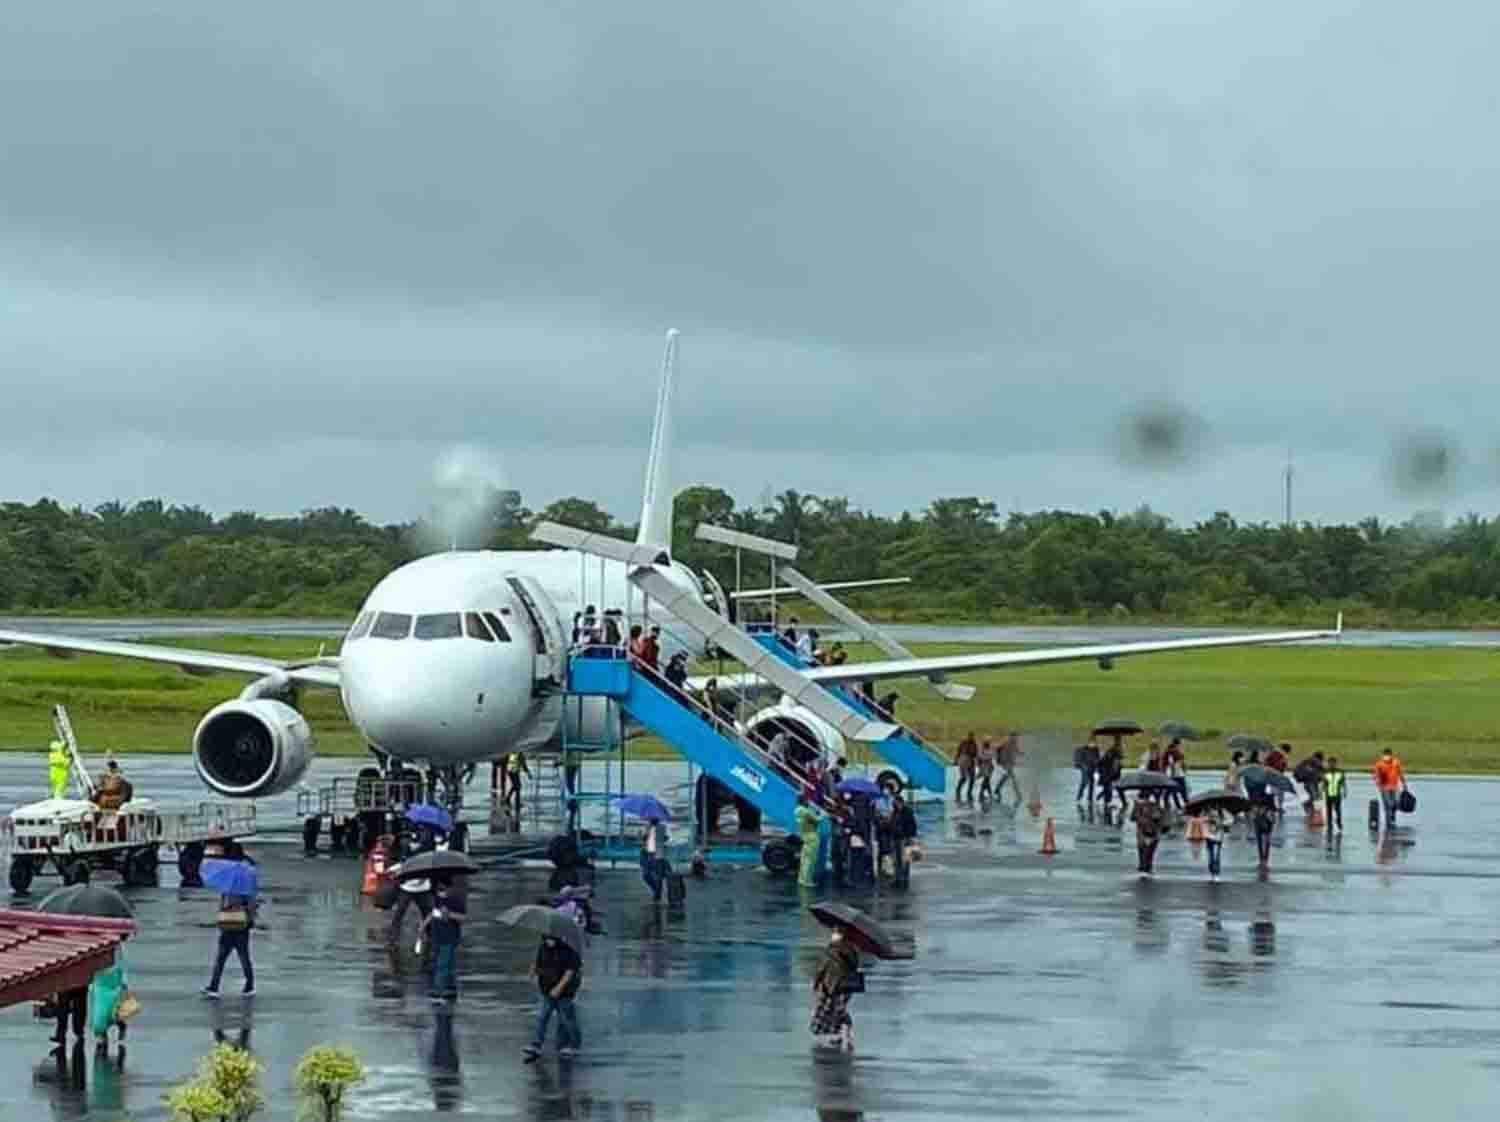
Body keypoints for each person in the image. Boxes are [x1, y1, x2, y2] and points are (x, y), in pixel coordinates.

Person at [524, 935, 582, 1061]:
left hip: (565, 992)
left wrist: (559, 988)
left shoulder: (567, 951)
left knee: (566, 1019)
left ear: (557, 939)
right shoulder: (543, 948)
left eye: (551, 939)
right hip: (547, 989)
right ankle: (536, 1044)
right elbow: (537, 962)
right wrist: (531, 973)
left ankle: (572, 1045)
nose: (549, 942)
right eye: (546, 939)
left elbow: (570, 972)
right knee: (543, 1017)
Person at [202, 875, 257, 998]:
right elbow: (252, 907)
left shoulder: (227, 889)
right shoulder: (246, 889)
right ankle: (249, 986)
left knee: (222, 958)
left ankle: (214, 987)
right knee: (243, 957)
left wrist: (227, 910)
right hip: (241, 927)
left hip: (229, 926)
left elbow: (223, 907)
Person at [809, 927, 861, 1052]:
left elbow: (822, 968)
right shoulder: (853, 949)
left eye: (835, 933)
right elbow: (855, 965)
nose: (832, 935)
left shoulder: (831, 950)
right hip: (848, 984)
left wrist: (815, 983)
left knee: (828, 1009)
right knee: (840, 1009)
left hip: (832, 984)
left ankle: (834, 1034)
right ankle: (845, 1033)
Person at [423, 884, 465, 1002]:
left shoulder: (456, 900)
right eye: (439, 891)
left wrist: (449, 914)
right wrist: (423, 926)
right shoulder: (436, 899)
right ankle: (450, 989)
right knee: (445, 963)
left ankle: (439, 991)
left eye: (443, 890)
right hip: (437, 936)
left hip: (449, 937)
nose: (441, 893)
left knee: (443, 964)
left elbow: (462, 918)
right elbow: (432, 913)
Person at [1130, 795, 1167, 876]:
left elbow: (1133, 818)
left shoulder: (1153, 806)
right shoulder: (1156, 806)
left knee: (1144, 850)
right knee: (1148, 851)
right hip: (1152, 832)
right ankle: (1146, 867)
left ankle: (1144, 867)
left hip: (1146, 832)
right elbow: (1161, 819)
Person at [1373, 748, 1407, 831]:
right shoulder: (1379, 764)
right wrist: (1379, 785)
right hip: (1384, 788)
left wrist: (1404, 783)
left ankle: (1392, 817)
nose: (1387, 757)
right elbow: (1376, 776)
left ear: (1391, 755)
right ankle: (1389, 823)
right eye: (1385, 755)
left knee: (1396, 802)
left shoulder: (1396, 762)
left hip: (1395, 787)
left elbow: (1400, 773)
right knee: (1388, 805)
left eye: (1388, 755)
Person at [640, 815, 669, 902]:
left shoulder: (662, 827)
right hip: (647, 854)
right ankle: (655, 890)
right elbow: (643, 839)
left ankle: (657, 895)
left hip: (658, 854)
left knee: (658, 876)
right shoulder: (647, 827)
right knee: (646, 875)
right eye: (651, 818)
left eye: (653, 818)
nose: (651, 820)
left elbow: (665, 838)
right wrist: (646, 833)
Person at [795, 794, 821, 888]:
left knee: (804, 859)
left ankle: (801, 879)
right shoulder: (806, 811)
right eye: (807, 800)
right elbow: (817, 820)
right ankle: (807, 881)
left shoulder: (797, 810)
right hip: (812, 837)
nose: (809, 802)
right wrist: (821, 814)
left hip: (804, 835)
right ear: (804, 801)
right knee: (810, 860)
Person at [1250, 794, 1277, 872]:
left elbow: (1273, 808)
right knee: (1263, 842)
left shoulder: (1257, 791)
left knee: (1264, 841)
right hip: (1261, 818)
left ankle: (1263, 861)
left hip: (1265, 818)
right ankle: (1263, 861)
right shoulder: (1260, 791)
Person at [1202, 808, 1229, 881]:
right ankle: (1212, 871)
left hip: (1219, 837)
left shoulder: (1222, 810)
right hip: (1209, 836)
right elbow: (1202, 821)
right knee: (1211, 856)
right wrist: (1208, 820)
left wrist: (1222, 823)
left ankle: (1216, 873)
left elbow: (1230, 819)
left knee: (1217, 856)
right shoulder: (1206, 810)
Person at [996, 732, 1022, 807]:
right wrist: (1000, 759)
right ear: (1011, 737)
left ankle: (997, 789)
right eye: (1014, 737)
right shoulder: (1006, 742)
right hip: (1005, 762)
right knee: (1012, 777)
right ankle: (1018, 794)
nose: (1016, 738)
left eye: (1016, 737)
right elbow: (998, 748)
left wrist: (1021, 753)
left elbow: (1017, 750)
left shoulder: (1015, 743)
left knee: (1007, 776)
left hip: (1010, 762)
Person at [1097, 742, 1124, 812]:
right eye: (1120, 748)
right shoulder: (1112, 755)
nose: (1121, 749)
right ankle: (1107, 803)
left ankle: (1104, 800)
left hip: (1109, 775)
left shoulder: (1115, 755)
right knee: (1109, 789)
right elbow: (1102, 764)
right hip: (1107, 775)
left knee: (1109, 789)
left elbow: (1117, 767)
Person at [953, 733, 978, 804]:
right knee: (964, 778)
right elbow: (958, 751)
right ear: (968, 736)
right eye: (970, 736)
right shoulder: (963, 742)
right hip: (963, 761)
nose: (971, 738)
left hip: (971, 761)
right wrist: (956, 760)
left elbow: (975, 754)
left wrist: (976, 761)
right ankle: (958, 791)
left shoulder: (974, 743)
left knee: (972, 778)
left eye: (972, 736)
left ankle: (969, 792)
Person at [504, 752, 530, 818]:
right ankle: (515, 801)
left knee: (516, 786)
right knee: (517, 786)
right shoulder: (520, 754)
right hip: (514, 771)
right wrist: (528, 773)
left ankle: (510, 799)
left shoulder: (513, 753)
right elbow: (524, 765)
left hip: (510, 771)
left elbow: (507, 761)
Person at [1324, 755, 1346, 833]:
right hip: (1328, 794)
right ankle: (1329, 824)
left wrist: (1344, 791)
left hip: (1337, 794)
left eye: (1333, 763)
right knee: (1329, 810)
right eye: (1330, 763)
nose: (1331, 764)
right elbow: (1324, 783)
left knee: (1337, 810)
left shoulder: (1340, 772)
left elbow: (1343, 783)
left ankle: (1339, 823)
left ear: (1335, 763)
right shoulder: (1326, 771)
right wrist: (1322, 791)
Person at [1074, 740, 1099, 805]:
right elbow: (1079, 760)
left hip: (1092, 768)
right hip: (1085, 768)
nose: (1094, 745)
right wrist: (1083, 766)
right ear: (1089, 743)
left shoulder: (1096, 750)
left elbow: (1097, 758)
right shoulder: (1082, 749)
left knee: (1091, 783)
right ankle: (1079, 797)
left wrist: (1097, 767)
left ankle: (1089, 798)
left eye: (1094, 744)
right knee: (1084, 782)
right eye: (1092, 743)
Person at [977, 737, 998, 803]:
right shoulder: (981, 750)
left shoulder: (990, 749)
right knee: (986, 779)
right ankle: (983, 793)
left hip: (989, 767)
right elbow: (981, 757)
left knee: (987, 780)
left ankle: (984, 793)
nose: (987, 744)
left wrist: (990, 756)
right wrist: (988, 757)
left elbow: (994, 755)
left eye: (988, 742)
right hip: (984, 766)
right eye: (986, 742)